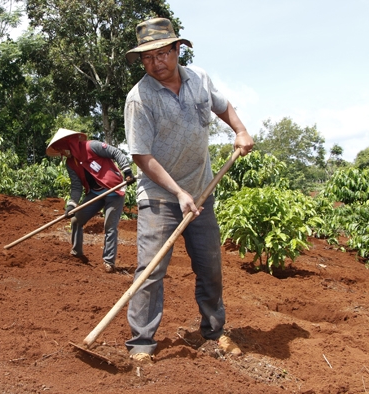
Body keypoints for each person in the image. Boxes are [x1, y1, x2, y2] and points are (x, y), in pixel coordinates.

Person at [123, 17, 254, 361]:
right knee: (150, 270)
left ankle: (213, 332)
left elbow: (221, 105)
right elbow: (141, 155)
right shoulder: (140, 98)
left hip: (201, 192)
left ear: (177, 49)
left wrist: (240, 131)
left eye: (162, 53)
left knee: (210, 266)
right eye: (147, 58)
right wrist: (178, 193)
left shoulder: (199, 79)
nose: (155, 63)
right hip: (160, 197)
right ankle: (141, 343)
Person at [46, 128, 136, 273]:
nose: (61, 153)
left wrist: (127, 171)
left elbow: (115, 152)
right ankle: (77, 253)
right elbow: (76, 188)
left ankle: (109, 262)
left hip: (114, 190)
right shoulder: (70, 164)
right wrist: (71, 206)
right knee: (76, 220)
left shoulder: (91, 146)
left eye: (61, 149)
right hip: (95, 193)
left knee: (110, 226)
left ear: (68, 143)